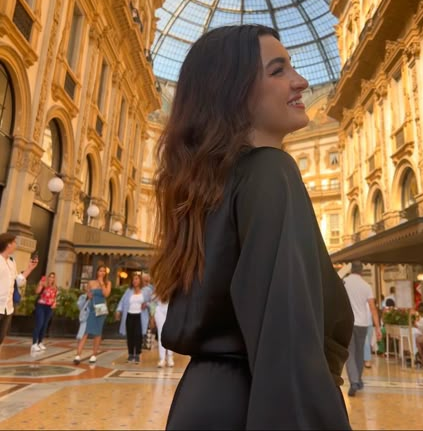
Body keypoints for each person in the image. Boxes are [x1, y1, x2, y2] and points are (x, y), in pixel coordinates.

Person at [151, 25, 354, 430]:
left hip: (203, 402)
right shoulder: (270, 171)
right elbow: (288, 340)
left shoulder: (208, 189)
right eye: (278, 71)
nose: (301, 81)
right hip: (259, 403)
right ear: (233, 91)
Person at [344, 261, 382, 397]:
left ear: (351, 269)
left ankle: (354, 380)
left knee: (350, 352)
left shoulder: (344, 282)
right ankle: (358, 379)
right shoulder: (366, 286)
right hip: (363, 324)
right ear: (361, 271)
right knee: (359, 353)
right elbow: (373, 308)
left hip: (348, 323)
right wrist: (378, 328)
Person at [0, 233, 38, 347]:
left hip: (8, 308)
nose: (16, 245)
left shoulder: (12, 262)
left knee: (0, 338)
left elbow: (18, 281)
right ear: (8, 244)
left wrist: (29, 269)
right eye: (14, 242)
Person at [73, 264, 111, 365]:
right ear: (97, 272)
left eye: (104, 271)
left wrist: (102, 283)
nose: (102, 273)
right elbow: (87, 294)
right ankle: (78, 354)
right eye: (100, 271)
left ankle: (94, 354)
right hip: (91, 307)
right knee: (85, 331)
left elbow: (106, 294)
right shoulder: (91, 282)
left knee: (98, 333)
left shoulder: (107, 283)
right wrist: (88, 295)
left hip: (101, 308)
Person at [115, 273, 152, 363]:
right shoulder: (128, 291)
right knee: (130, 335)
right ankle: (131, 354)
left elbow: (152, 302)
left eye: (137, 279)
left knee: (138, 336)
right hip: (129, 315)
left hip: (140, 316)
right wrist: (118, 310)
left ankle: (138, 354)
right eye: (133, 279)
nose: (135, 281)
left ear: (140, 281)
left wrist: (146, 304)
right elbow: (122, 302)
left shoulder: (146, 291)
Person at [31, 272, 58, 353]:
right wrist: (40, 284)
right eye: (50, 277)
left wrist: (54, 303)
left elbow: (54, 297)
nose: (51, 278)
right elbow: (37, 292)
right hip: (41, 306)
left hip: (49, 307)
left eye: (53, 277)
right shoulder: (43, 284)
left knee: (45, 325)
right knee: (39, 323)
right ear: (47, 277)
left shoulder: (55, 287)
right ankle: (34, 343)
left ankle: (40, 342)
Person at [150, 293, 174, 368]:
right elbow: (153, 302)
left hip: (171, 309)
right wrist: (152, 315)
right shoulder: (158, 285)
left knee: (170, 334)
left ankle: (170, 357)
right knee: (161, 335)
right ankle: (162, 359)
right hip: (159, 310)